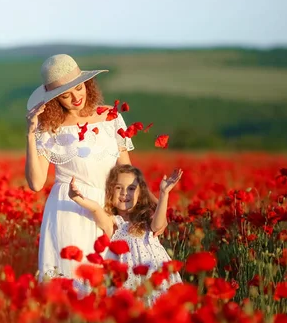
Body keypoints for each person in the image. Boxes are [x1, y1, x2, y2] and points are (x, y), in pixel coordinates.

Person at [25, 53, 155, 281]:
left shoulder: (110, 116)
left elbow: (126, 170)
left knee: (113, 281)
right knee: (74, 280)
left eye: (79, 88)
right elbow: (36, 183)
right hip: (70, 211)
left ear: (86, 83)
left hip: (110, 206)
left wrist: (149, 204)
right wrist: (30, 134)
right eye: (65, 95)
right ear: (55, 100)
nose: (76, 98)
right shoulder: (50, 128)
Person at [68, 164, 183, 304]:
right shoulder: (114, 223)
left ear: (140, 194)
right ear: (110, 192)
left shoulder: (146, 220)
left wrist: (164, 193)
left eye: (131, 188)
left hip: (152, 271)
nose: (124, 193)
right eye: (118, 188)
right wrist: (76, 198)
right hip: (128, 278)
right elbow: (96, 209)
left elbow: (158, 225)